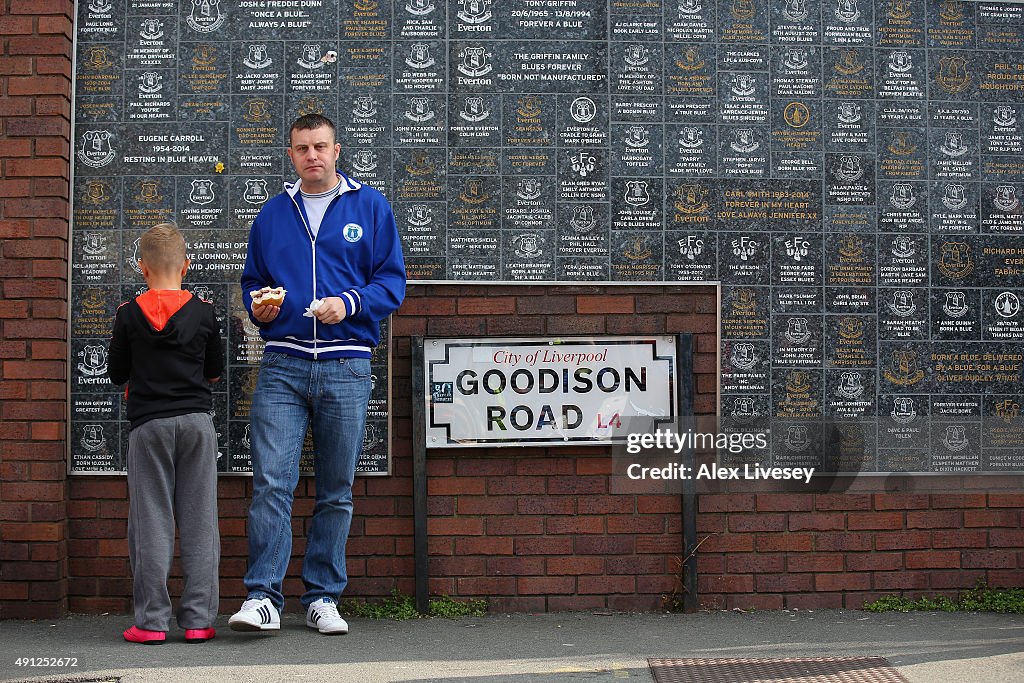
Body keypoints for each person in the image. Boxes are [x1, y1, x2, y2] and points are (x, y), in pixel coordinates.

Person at [230, 114, 406, 635]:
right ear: (291, 154)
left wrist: (348, 303)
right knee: (271, 485)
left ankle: (323, 596)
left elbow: (391, 283)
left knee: (335, 489)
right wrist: (258, 308)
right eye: (302, 148)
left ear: (337, 150)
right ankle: (262, 597)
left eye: (320, 146)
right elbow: (253, 281)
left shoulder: (370, 207)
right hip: (282, 364)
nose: (312, 155)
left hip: (347, 365)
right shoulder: (272, 214)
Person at [107, 223, 223, 645]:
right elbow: (214, 372)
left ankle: (152, 622)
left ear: (142, 269)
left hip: (149, 425)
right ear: (186, 266)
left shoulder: (127, 314)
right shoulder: (206, 312)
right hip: (196, 423)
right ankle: (198, 620)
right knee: (200, 521)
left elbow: (116, 372)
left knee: (151, 522)